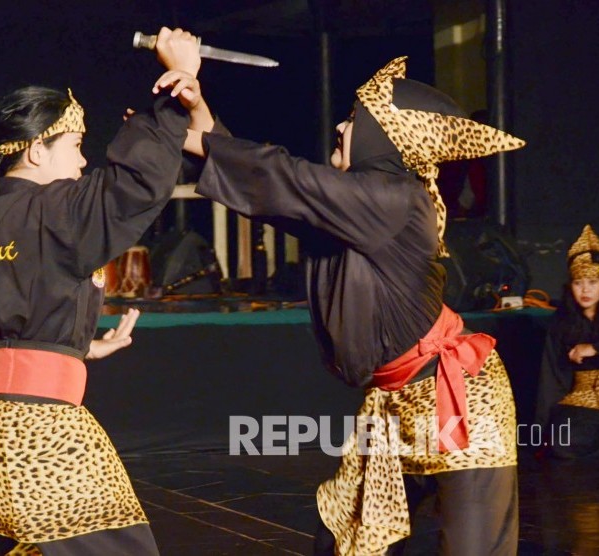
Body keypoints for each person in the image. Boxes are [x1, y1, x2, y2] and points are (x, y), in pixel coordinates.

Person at [178, 56, 526, 554]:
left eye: (355, 119)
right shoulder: (361, 202)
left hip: (460, 400)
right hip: (393, 403)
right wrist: (198, 113)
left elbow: (289, 181)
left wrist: (199, 136)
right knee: (346, 537)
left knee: (475, 548)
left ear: (387, 134)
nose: (342, 126)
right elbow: (279, 193)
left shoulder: (395, 197)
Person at [0, 27, 201, 555]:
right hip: (36, 427)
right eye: (73, 145)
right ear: (37, 152)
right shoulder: (52, 209)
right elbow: (135, 185)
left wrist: (74, 344)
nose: (83, 160)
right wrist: (178, 84)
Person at [534, 225, 599, 458]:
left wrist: (596, 348)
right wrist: (541, 429)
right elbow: (551, 375)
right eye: (579, 283)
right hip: (585, 399)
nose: (585, 290)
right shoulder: (563, 319)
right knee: (561, 444)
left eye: (592, 283)